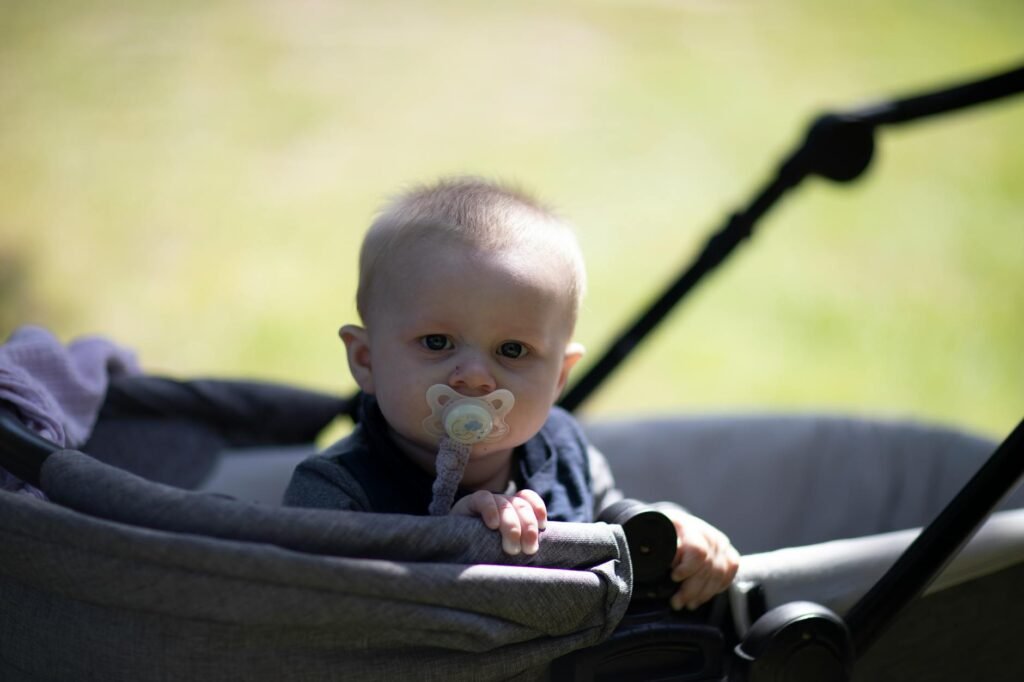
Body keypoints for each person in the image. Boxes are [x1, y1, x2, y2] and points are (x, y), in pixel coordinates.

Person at [284, 176, 738, 610]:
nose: (477, 377)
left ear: (559, 378)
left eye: (513, 350)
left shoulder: (564, 451)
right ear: (366, 360)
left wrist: (667, 530)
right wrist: (448, 548)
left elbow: (606, 514)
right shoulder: (335, 493)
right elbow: (326, 618)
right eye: (437, 342)